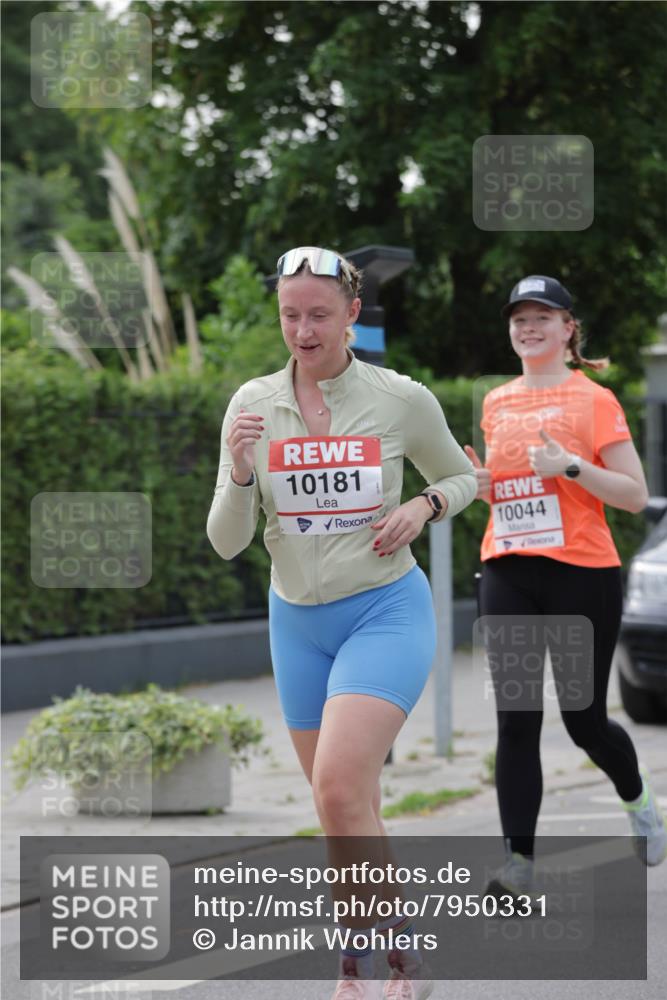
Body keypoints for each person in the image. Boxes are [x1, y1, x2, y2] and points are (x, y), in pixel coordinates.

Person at [207, 246, 476, 999]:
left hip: (384, 612)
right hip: (295, 623)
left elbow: (464, 475)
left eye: (318, 314)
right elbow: (227, 541)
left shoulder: (400, 399)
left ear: (352, 315)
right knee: (346, 808)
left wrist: (423, 506)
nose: (302, 329)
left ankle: (405, 961)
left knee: (335, 790)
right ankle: (355, 963)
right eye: (290, 314)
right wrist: (237, 471)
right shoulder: (252, 404)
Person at [464, 274, 666, 898]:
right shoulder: (496, 402)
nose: (529, 328)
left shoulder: (595, 399)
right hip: (507, 564)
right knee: (516, 720)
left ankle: (637, 801)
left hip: (582, 570)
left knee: (583, 719)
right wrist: (484, 487)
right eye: (519, 319)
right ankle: (517, 867)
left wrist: (573, 466)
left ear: (568, 328)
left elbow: (633, 496)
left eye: (542, 317)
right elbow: (511, 487)